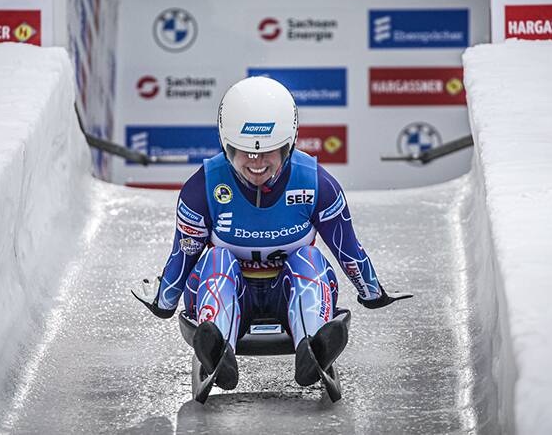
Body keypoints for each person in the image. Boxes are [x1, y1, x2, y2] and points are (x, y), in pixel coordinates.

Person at [135, 76, 399, 390]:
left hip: (288, 292)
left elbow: (348, 248)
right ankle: (216, 346)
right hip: (231, 293)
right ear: (226, 144)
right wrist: (165, 302)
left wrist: (371, 292)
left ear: (290, 145)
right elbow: (184, 254)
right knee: (217, 259)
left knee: (310, 258)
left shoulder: (316, 184)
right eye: (243, 152)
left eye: (269, 152)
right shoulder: (202, 188)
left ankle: (312, 348)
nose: (256, 163)